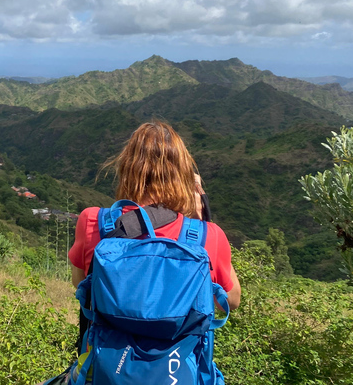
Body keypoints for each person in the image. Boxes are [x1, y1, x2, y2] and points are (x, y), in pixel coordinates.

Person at [68, 120, 241, 310]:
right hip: (180, 332)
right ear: (183, 175)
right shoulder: (209, 235)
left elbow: (80, 283)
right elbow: (230, 302)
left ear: (127, 168)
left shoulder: (93, 221)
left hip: (108, 330)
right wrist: (198, 223)